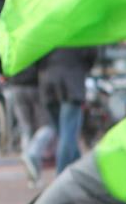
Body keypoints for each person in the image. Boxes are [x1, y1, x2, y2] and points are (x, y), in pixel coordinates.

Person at [40, 46, 97, 175]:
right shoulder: (78, 29)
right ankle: (61, 176)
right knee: (68, 135)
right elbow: (91, 52)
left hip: (48, 81)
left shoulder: (49, 28)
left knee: (64, 134)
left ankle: (80, 173)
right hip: (71, 82)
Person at [4, 60, 53, 185]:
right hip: (35, 83)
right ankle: (32, 154)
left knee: (26, 128)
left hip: (16, 83)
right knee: (48, 126)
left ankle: (33, 176)